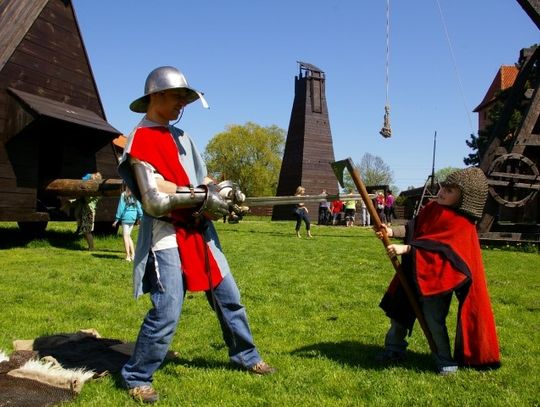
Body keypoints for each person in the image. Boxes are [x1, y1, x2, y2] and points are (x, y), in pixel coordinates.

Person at [117, 66, 275, 403]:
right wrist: (197, 194)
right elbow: (155, 197)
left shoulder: (183, 138)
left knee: (229, 298)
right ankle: (137, 375)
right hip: (167, 233)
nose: (181, 104)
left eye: (185, 99)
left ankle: (246, 356)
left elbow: (202, 182)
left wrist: (224, 193)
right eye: (177, 97)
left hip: (200, 231)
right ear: (156, 96)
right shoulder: (140, 138)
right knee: (167, 309)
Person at [374, 167, 500, 375]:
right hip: (413, 272)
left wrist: (408, 249)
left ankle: (445, 361)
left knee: (434, 321)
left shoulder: (462, 224)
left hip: (437, 280)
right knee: (399, 315)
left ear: (465, 198)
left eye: (449, 191)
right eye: (443, 187)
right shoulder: (432, 208)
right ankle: (393, 350)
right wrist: (391, 231)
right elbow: (413, 228)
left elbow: (443, 252)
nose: (441, 192)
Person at [112, 186, 143, 261]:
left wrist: (117, 219)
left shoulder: (124, 194)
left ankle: (128, 256)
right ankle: (133, 255)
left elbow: (121, 207)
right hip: (133, 218)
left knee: (125, 237)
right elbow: (139, 207)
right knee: (128, 236)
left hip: (126, 217)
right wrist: (140, 217)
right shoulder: (136, 195)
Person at [76, 172, 102, 251]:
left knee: (87, 231)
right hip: (86, 211)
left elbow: (88, 199)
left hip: (89, 212)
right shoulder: (94, 192)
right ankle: (90, 246)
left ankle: (91, 247)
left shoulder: (96, 193)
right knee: (85, 231)